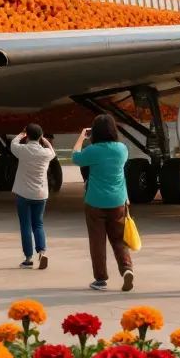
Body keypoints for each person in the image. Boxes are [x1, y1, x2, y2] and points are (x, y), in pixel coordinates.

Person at [73, 114, 133, 292]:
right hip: (118, 200)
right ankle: (127, 269)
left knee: (97, 241)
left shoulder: (93, 150)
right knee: (119, 239)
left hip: (95, 201)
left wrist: (81, 138)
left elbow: (76, 157)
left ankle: (100, 279)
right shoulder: (122, 149)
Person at [11, 123, 55, 269]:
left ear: (27, 136)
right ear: (41, 136)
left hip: (23, 192)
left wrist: (21, 133)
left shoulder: (22, 150)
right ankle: (42, 251)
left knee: (25, 225)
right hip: (41, 194)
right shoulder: (46, 154)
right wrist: (44, 139)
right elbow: (51, 150)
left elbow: (13, 143)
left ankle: (28, 258)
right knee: (39, 224)